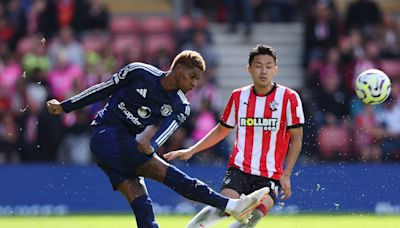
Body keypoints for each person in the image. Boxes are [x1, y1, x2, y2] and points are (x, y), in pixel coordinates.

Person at [46, 50, 270, 227]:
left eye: (198, 80)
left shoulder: (180, 106)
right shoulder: (139, 72)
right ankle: (231, 205)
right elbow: (103, 89)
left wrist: (152, 145)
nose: (194, 84)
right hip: (106, 135)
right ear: (178, 68)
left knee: (142, 205)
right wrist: (65, 106)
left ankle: (232, 206)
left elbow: (167, 130)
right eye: (192, 76)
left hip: (124, 146)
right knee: (167, 174)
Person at [164, 45, 304, 227]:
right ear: (249, 69)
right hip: (239, 169)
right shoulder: (239, 96)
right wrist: (192, 150)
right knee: (224, 206)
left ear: (275, 70)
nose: (263, 71)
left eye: (269, 66)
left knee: (252, 218)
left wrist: (287, 174)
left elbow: (297, 139)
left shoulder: (289, 98)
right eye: (258, 65)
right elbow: (221, 130)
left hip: (270, 175)